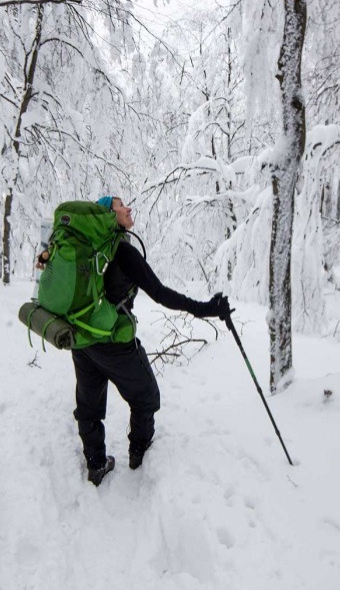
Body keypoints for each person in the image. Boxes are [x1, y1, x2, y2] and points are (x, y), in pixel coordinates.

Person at [41, 196, 232, 485]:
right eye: (119, 205)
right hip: (114, 343)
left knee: (89, 406)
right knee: (146, 397)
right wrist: (208, 309)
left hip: (80, 338)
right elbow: (162, 294)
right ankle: (140, 455)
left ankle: (96, 464)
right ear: (108, 215)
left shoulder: (83, 251)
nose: (127, 208)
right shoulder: (122, 251)